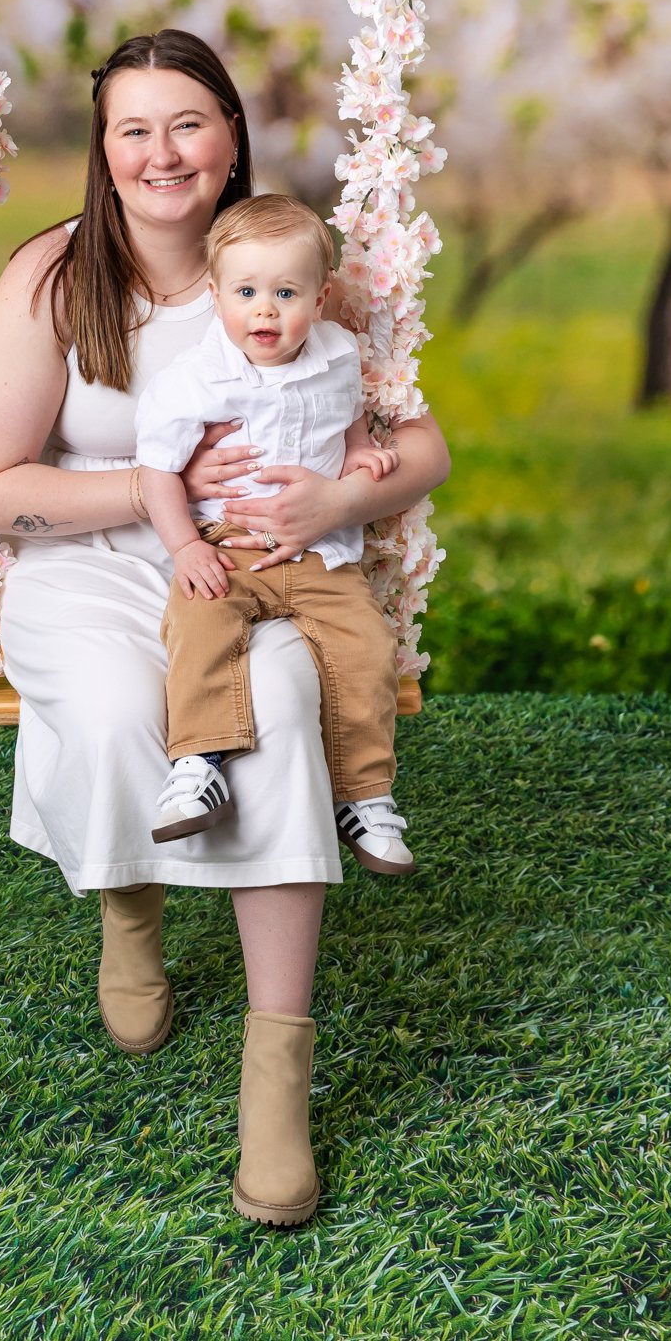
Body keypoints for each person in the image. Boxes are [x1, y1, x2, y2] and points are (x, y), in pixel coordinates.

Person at [0, 30, 450, 1227]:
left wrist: (338, 497)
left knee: (279, 710)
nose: (163, 151)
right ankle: (134, 915)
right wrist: (149, 491)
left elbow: (420, 443)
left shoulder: (294, 262)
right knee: (129, 706)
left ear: (231, 136)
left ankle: (275, 1080)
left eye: (189, 123)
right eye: (135, 128)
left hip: (261, 562)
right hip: (88, 557)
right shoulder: (54, 278)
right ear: (104, 150)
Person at [135, 194, 416, 875]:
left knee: (365, 647)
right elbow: (155, 472)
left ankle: (364, 796)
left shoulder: (337, 355)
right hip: (228, 548)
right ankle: (198, 764)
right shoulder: (195, 378)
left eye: (285, 292)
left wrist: (360, 460)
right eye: (246, 292)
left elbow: (344, 424)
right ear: (215, 295)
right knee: (200, 625)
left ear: (319, 300)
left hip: (320, 555)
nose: (265, 309)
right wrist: (186, 548)